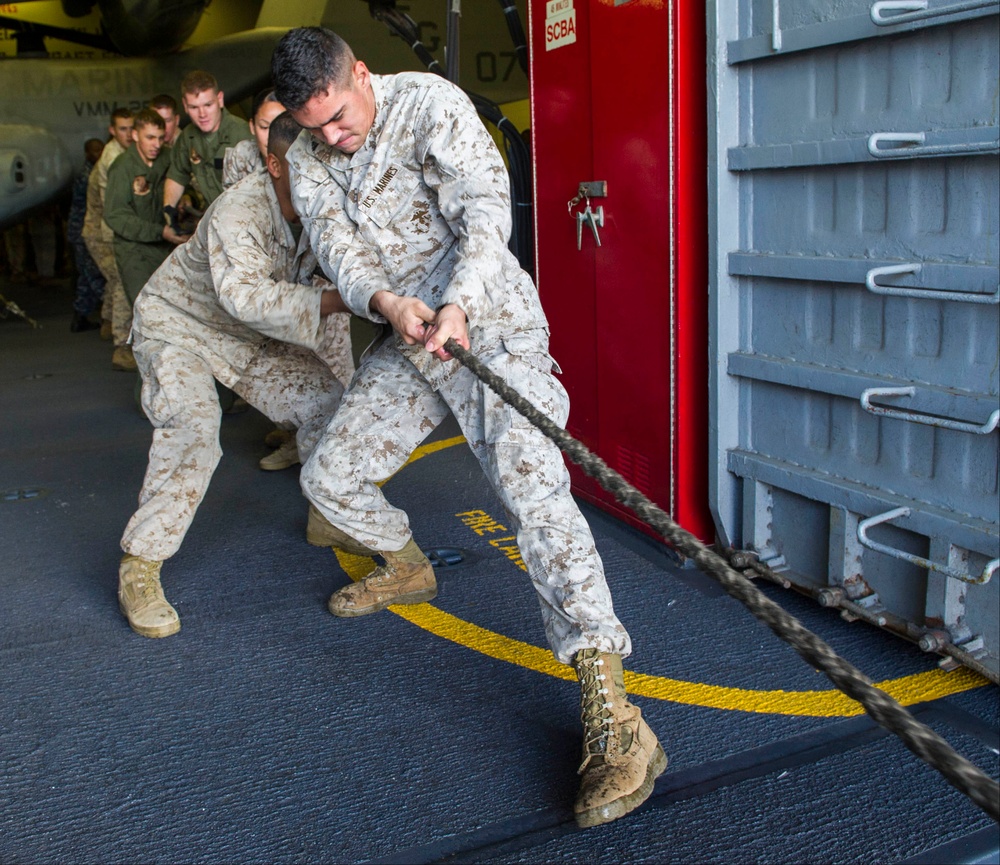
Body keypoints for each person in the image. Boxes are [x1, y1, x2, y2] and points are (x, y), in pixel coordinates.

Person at [271, 27, 666, 829]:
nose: (335, 137)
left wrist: (457, 305)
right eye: (319, 128)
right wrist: (389, 305)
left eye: (342, 117)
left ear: (362, 74)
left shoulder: (429, 106)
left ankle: (616, 713)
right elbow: (342, 254)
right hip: (413, 338)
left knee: (535, 493)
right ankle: (408, 564)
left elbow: (488, 216)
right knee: (328, 476)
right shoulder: (309, 156)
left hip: (489, 324)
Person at [117, 112, 348, 639]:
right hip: (180, 325)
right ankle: (141, 564)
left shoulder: (325, 208)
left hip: (241, 337)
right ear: (273, 165)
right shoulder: (240, 209)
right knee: (195, 431)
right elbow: (247, 298)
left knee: (328, 401)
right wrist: (339, 300)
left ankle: (327, 511)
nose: (321, 176)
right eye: (306, 165)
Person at [221, 87, 356, 471]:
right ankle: (304, 445)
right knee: (289, 368)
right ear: (253, 128)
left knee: (335, 371)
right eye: (264, 125)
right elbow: (247, 279)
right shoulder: (243, 180)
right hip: (272, 283)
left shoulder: (318, 164)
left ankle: (334, 459)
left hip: (315, 278)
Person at [103, 109, 186, 327]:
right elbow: (116, 216)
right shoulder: (122, 168)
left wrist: (186, 201)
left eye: (160, 138)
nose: (156, 144)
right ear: (135, 135)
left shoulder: (168, 159)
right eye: (150, 138)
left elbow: (184, 187)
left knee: (175, 309)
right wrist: (159, 232)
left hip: (165, 247)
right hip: (134, 250)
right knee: (147, 312)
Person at [162, 69, 253, 227]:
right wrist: (169, 211)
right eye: (194, 107)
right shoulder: (187, 138)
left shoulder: (242, 134)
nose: (202, 114)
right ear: (185, 105)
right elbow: (176, 176)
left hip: (246, 221)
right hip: (213, 223)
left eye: (208, 105)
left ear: (220, 99)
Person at [81, 107, 134, 365]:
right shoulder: (113, 159)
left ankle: (108, 321)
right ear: (112, 131)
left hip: (105, 228)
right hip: (103, 232)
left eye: (130, 128)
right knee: (121, 280)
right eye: (122, 129)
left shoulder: (124, 153)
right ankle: (121, 344)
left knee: (115, 279)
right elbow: (114, 209)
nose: (128, 134)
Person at [68, 138, 106, 332]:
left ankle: (80, 316)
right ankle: (111, 314)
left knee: (86, 277)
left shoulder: (92, 171)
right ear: (87, 154)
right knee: (93, 275)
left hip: (82, 231)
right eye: (94, 151)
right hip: (83, 232)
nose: (98, 153)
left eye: (101, 150)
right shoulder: (88, 175)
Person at [222, 88, 285, 188]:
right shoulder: (241, 157)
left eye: (281, 127)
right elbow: (231, 200)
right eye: (264, 127)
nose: (272, 136)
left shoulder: (307, 159)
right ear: (252, 127)